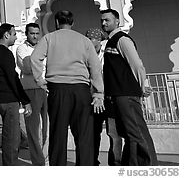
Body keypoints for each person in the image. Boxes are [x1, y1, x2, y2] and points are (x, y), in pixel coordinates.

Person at [30, 10, 104, 166]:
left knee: (58, 134)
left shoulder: (49, 38)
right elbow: (95, 67)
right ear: (73, 22)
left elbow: (35, 58)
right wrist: (98, 93)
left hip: (58, 89)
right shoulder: (84, 40)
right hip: (81, 90)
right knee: (84, 134)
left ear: (56, 22)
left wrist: (40, 80)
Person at [101, 9, 158, 166]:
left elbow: (137, 64)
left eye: (107, 20)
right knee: (129, 134)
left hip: (126, 95)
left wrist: (143, 85)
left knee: (138, 133)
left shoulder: (122, 40)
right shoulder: (111, 42)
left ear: (117, 21)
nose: (104, 23)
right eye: (102, 20)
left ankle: (150, 166)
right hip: (118, 96)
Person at [0, 23, 32, 166]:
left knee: (12, 136)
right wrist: (25, 100)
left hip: (0, 99)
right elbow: (12, 78)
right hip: (8, 100)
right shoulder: (4, 52)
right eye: (14, 34)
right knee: (12, 140)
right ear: (6, 35)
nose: (16, 37)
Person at [85, 28, 123, 166]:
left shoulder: (107, 53)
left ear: (99, 41)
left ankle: (115, 163)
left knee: (114, 134)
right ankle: (93, 162)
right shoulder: (85, 56)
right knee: (93, 133)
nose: (89, 43)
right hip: (93, 100)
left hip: (109, 99)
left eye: (92, 41)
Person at [16, 22, 49, 166]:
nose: (35, 36)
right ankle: (38, 161)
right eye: (32, 33)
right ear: (26, 34)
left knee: (47, 126)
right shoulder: (22, 48)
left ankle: (46, 157)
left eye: (37, 33)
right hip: (30, 89)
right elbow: (28, 67)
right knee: (33, 128)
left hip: (46, 89)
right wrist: (40, 63)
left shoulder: (44, 46)